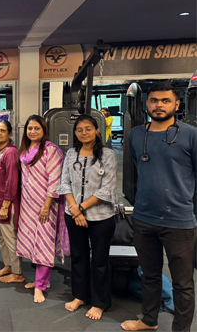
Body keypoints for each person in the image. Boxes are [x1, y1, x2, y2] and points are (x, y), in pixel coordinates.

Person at [122, 81, 197, 332]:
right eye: (154, 100)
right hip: (144, 218)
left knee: (182, 284)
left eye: (166, 101)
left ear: (177, 104)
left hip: (179, 222)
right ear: (147, 103)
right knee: (149, 275)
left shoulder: (191, 135)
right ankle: (149, 320)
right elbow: (139, 167)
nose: (159, 105)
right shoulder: (136, 135)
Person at [57, 114, 117, 319]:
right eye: (79, 130)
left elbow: (107, 189)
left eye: (88, 129)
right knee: (78, 257)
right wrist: (74, 209)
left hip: (101, 217)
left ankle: (100, 302)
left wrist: (80, 208)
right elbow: (64, 183)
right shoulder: (71, 154)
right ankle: (80, 296)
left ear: (97, 130)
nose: (84, 133)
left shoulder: (107, 155)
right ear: (75, 133)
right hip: (73, 215)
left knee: (100, 260)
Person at [16, 115, 67, 303]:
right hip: (28, 204)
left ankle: (40, 287)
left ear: (44, 130)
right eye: (30, 128)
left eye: (37, 128)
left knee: (44, 243)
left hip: (46, 206)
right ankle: (42, 280)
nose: (33, 131)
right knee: (32, 240)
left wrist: (46, 207)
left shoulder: (50, 150)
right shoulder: (25, 150)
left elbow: (55, 181)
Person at [0, 120, 23, 283]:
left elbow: (12, 180)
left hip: (6, 203)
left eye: (2, 131)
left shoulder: (11, 152)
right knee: (1, 236)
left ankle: (18, 273)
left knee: (10, 237)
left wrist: (5, 205)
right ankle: (8, 266)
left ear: (10, 133)